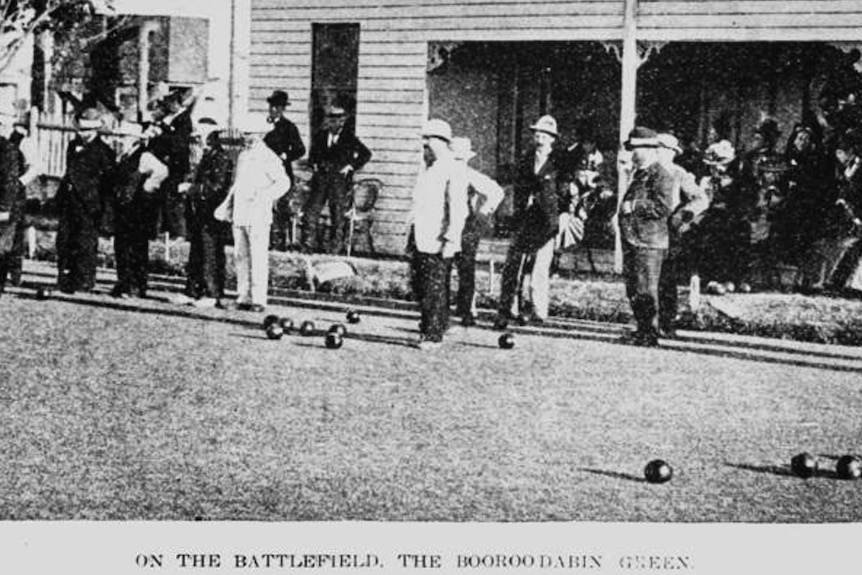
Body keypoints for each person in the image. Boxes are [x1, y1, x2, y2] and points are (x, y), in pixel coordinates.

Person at [214, 116, 291, 312]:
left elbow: (283, 182)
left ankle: (258, 299)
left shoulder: (268, 157)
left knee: (258, 256)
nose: (245, 138)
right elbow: (237, 184)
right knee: (241, 256)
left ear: (260, 136)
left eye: (249, 134)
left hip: (257, 213)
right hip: (240, 212)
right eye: (245, 134)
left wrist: (264, 195)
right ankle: (244, 296)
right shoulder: (243, 155)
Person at [494, 115, 564, 329]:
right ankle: (509, 309)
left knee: (539, 269)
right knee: (514, 266)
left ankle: (538, 312)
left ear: (553, 138)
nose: (540, 137)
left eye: (545, 134)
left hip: (546, 221)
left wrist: (562, 215)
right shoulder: (526, 158)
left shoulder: (559, 161)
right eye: (537, 133)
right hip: (524, 218)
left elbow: (565, 192)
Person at [408, 119, 468, 350]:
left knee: (434, 287)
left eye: (428, 139)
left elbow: (457, 208)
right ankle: (436, 324)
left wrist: (452, 238)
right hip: (420, 236)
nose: (424, 145)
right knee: (422, 285)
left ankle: (432, 334)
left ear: (442, 142)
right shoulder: (428, 167)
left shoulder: (453, 168)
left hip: (438, 239)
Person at [618, 127, 674, 347]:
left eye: (635, 148)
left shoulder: (661, 175)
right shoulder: (639, 173)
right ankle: (642, 329)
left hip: (649, 242)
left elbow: (663, 207)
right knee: (634, 288)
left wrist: (635, 206)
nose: (632, 153)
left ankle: (649, 332)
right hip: (635, 240)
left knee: (646, 290)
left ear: (649, 149)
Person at [55, 108, 116, 294]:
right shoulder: (72, 145)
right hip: (70, 201)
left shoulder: (104, 152)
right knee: (65, 240)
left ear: (96, 130)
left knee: (85, 243)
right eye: (80, 130)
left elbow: (107, 183)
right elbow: (69, 171)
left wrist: (101, 207)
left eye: (87, 131)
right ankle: (65, 278)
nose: (82, 134)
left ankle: (84, 280)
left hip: (90, 204)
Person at [655, 133, 709, 337]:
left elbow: (701, 199)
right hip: (647, 230)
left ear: (671, 153)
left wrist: (682, 215)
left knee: (666, 276)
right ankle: (648, 321)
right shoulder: (644, 172)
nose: (658, 152)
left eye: (661, 149)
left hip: (669, 230)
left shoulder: (679, 174)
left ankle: (667, 321)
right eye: (655, 148)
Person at [177, 119, 234, 308]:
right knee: (198, 250)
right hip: (201, 210)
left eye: (200, 134)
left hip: (212, 211)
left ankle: (212, 292)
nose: (197, 137)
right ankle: (193, 290)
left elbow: (216, 186)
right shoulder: (208, 154)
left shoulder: (220, 156)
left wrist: (192, 188)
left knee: (210, 251)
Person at [302, 104, 372, 254]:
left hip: (339, 182)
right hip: (320, 180)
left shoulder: (350, 139)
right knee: (311, 212)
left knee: (338, 215)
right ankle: (308, 245)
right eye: (332, 119)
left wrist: (350, 166)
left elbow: (366, 154)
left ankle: (335, 248)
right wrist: (314, 165)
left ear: (343, 121)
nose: (335, 123)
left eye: (339, 120)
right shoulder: (320, 136)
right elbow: (312, 157)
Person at [109, 122, 169, 299]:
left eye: (123, 137)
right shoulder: (123, 156)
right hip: (124, 207)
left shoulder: (144, 156)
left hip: (138, 209)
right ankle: (124, 282)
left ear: (135, 140)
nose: (119, 140)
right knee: (122, 246)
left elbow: (162, 171)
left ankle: (136, 285)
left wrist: (149, 186)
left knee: (136, 247)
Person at [450, 137, 504, 327]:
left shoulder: (470, 175)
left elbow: (496, 192)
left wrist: (483, 213)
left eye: (460, 159)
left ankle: (469, 309)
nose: (457, 162)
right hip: (445, 224)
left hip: (465, 224)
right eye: (453, 158)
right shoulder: (441, 174)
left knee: (466, 266)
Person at [264, 90, 306, 251]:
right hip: (263, 173)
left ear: (283, 109)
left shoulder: (289, 127)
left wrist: (285, 155)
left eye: (278, 107)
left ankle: (279, 243)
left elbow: (300, 149)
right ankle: (266, 240)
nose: (274, 109)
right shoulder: (263, 124)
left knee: (280, 208)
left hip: (281, 173)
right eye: (272, 106)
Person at [151, 92, 193, 239]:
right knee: (165, 196)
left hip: (176, 164)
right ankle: (166, 229)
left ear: (176, 103)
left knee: (173, 198)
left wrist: (161, 133)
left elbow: (179, 142)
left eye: (169, 103)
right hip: (166, 162)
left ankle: (178, 231)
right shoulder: (171, 117)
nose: (167, 107)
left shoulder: (184, 119)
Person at [7, 120, 41, 286]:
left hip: (15, 194)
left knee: (14, 234)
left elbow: (34, 167)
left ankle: (14, 275)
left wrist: (18, 183)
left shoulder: (24, 141)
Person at [0, 108, 22, 297]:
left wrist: (4, 207)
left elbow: (9, 180)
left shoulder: (7, 148)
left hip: (4, 206)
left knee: (2, 248)